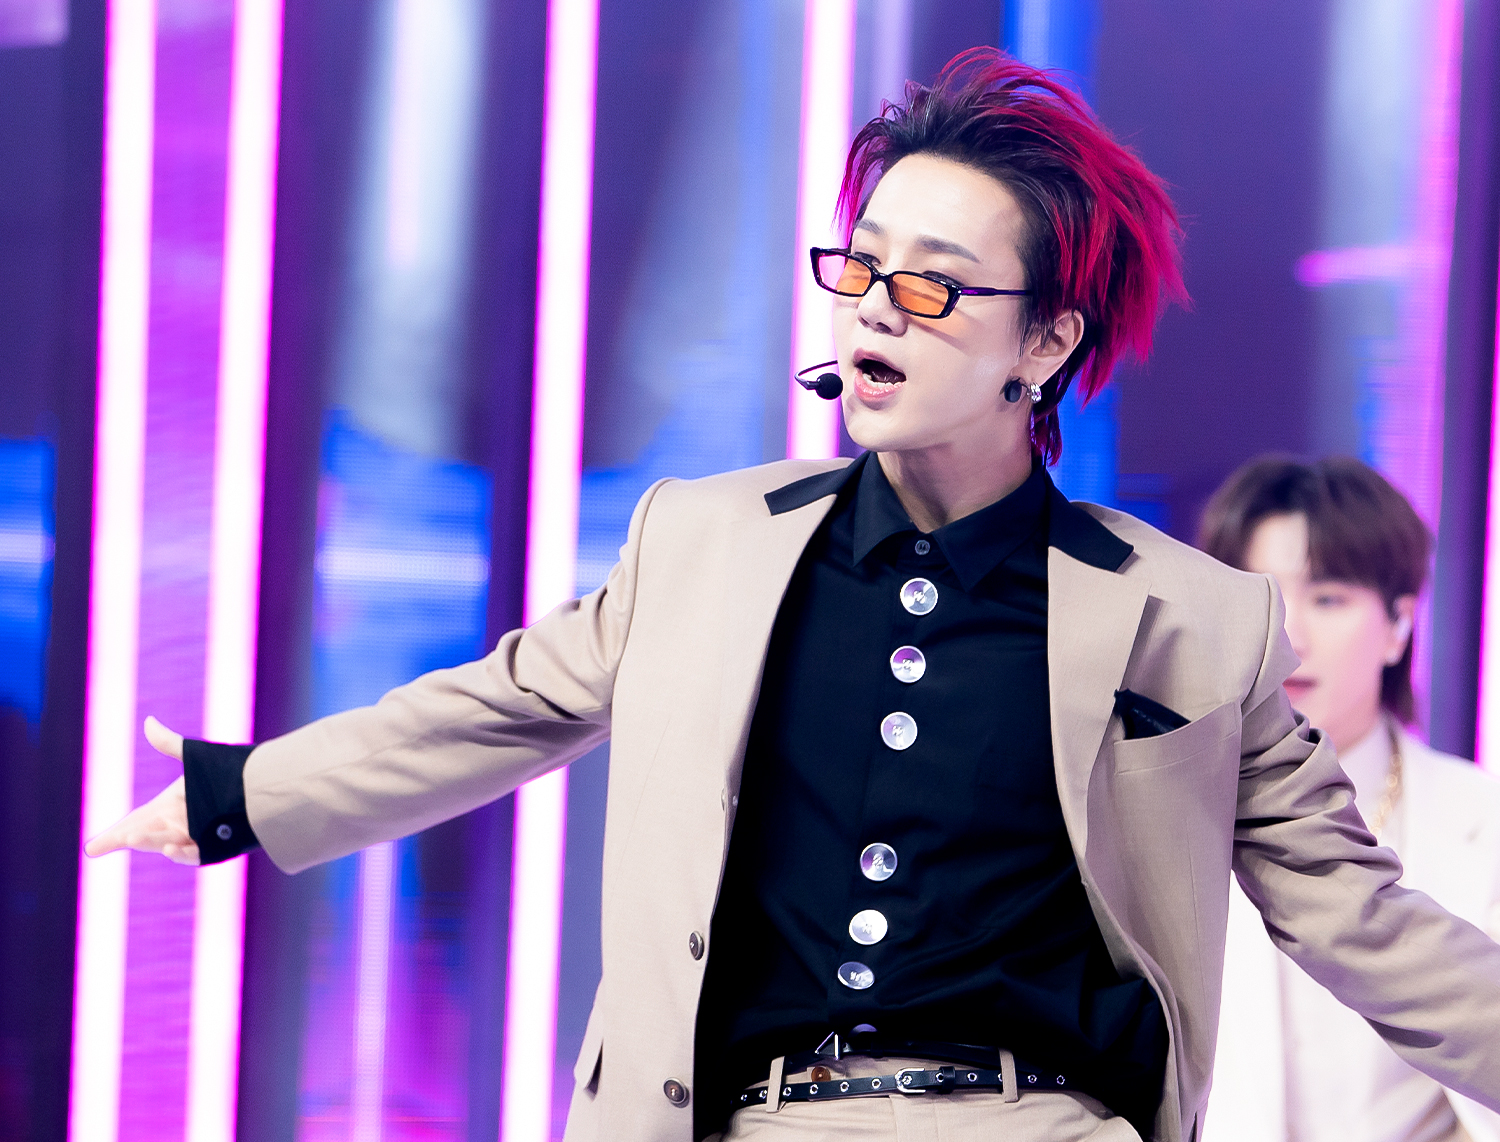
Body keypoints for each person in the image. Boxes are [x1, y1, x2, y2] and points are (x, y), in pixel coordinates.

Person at [86, 49, 1500, 1142]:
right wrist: (238, 794)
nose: (876, 303)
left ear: (1046, 342)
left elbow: (1358, 914)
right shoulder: (707, 543)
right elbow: (493, 709)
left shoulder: (1187, 615)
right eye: (862, 265)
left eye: (935, 286)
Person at [1198, 457, 1500, 1142]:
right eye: (1259, 597)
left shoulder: (1482, 821)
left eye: (1328, 598)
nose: (1287, 635)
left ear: (1399, 623)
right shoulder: (1154, 811)